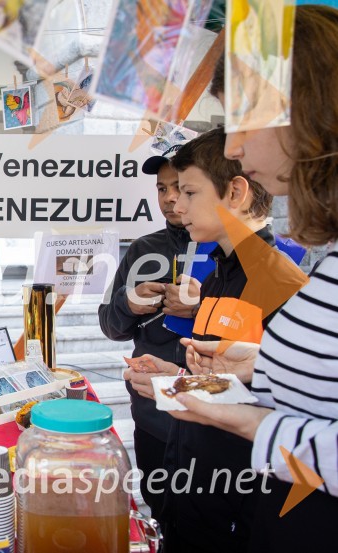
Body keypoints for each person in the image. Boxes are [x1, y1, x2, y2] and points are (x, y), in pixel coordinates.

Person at [169, 6, 338, 551]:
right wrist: (255, 366)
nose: (233, 147)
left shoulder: (275, 272)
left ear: (308, 108)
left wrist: (248, 422)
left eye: (244, 118)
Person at [99, 143, 197, 521]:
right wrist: (128, 303)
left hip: (212, 419)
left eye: (181, 187)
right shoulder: (143, 249)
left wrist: (203, 310)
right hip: (153, 417)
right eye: (162, 188)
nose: (170, 198)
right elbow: (110, 325)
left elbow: (255, 340)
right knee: (159, 509)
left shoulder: (234, 252)